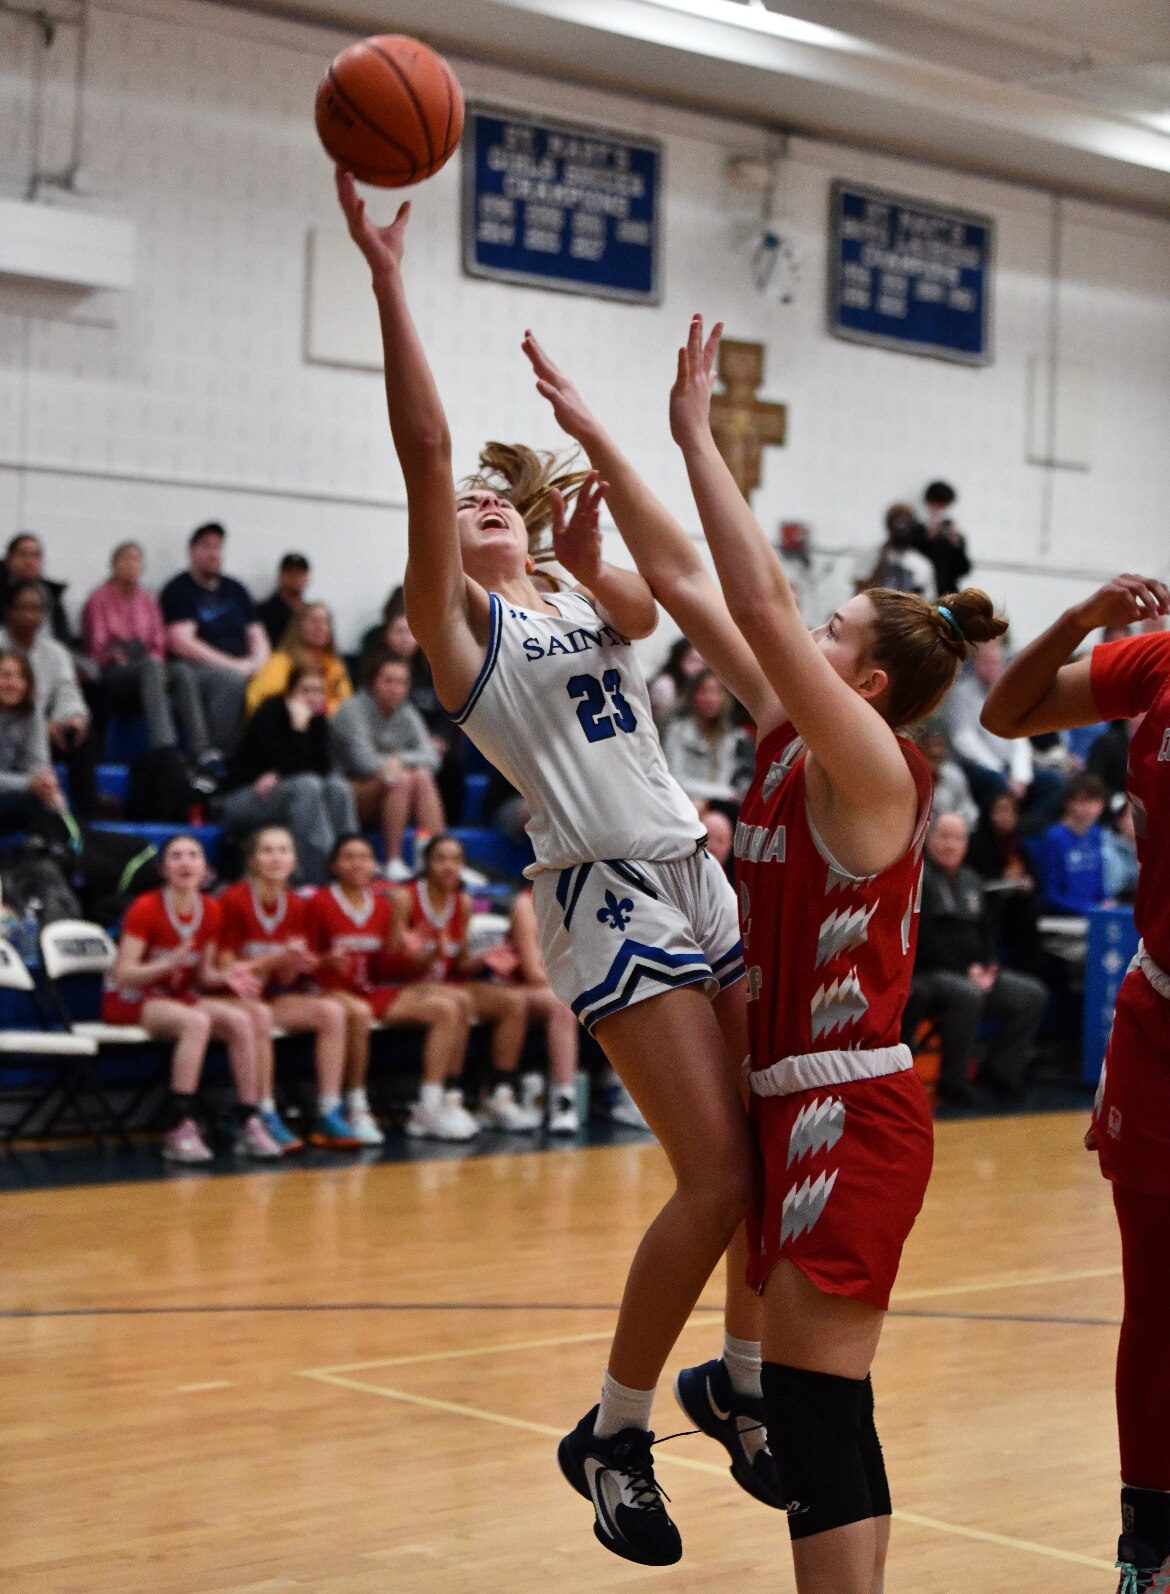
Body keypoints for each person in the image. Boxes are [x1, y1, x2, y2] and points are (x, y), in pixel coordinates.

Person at [525, 310, 1008, 1591]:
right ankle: (717, 1390)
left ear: (873, 683)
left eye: (833, 634)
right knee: (802, 1409)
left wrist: (693, 434)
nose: (809, 638)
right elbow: (688, 586)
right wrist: (601, 441)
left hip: (853, 1112)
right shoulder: (797, 736)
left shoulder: (873, 766)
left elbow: (747, 590)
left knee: (824, 1411)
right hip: (791, 1106)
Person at [337, 170, 762, 1569]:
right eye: (456, 507)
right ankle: (617, 1431)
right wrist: (392, 279)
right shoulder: (457, 635)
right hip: (602, 887)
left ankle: (744, 1382)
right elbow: (422, 446)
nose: (473, 502)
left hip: (695, 866)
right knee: (710, 1177)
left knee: (765, 1155)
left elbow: (642, 605)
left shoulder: (573, 592)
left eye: (487, 496)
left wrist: (579, 533)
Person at [979, 572, 1170, 1592]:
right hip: (1157, 1024)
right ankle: (1147, 1544)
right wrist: (1082, 621)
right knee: (1154, 1303)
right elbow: (1006, 709)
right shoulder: (1156, 660)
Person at [103, 833, 282, 1162]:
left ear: (206, 869)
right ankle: (179, 1125)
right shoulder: (145, 907)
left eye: (193, 855)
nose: (185, 862)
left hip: (177, 994)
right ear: (164, 869)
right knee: (196, 1021)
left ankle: (247, 1118)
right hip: (133, 997)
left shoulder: (212, 910)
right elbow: (124, 973)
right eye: (176, 856)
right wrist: (166, 964)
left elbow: (203, 976)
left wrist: (228, 976)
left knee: (241, 1019)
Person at [308, 832, 478, 1142]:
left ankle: (430, 1103)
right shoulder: (319, 902)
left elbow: (388, 967)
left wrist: (424, 953)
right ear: (334, 865)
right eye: (349, 856)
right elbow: (305, 960)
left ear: (375, 865)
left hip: (370, 989)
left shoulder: (383, 907)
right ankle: (356, 1106)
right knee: (358, 1013)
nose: (358, 862)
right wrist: (324, 962)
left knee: (448, 1006)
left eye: (364, 856)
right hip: (327, 992)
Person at [216, 825, 364, 1152]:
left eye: (283, 850)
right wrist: (277, 958)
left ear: (294, 860)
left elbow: (285, 978)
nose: (275, 858)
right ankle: (265, 1112)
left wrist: (322, 963)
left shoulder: (298, 905)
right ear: (253, 859)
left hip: (271, 997)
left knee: (332, 1012)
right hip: (232, 998)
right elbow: (227, 971)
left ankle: (327, 1110)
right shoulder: (233, 899)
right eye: (267, 850)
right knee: (260, 1016)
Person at [388, 835, 539, 1132]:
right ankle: (446, 1099)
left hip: (447, 982)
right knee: (458, 1001)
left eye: (455, 860)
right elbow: (390, 962)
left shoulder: (464, 902)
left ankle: (498, 1095)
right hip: (406, 985)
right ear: (426, 863)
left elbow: (459, 964)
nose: (448, 866)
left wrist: (486, 958)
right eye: (440, 859)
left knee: (514, 1001)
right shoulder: (405, 897)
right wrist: (427, 952)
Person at [902, 812, 1047, 1105]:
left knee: (1031, 995)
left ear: (966, 844)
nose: (950, 844)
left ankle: (1000, 1072)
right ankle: (953, 1083)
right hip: (930, 973)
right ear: (929, 840)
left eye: (957, 838)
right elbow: (922, 939)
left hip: (972, 972)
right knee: (966, 995)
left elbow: (987, 932)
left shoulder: (972, 880)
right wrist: (968, 970)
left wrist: (989, 964)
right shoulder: (918, 880)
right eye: (944, 836)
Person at [218, 664, 357, 885]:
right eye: (306, 690)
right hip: (243, 796)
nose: (312, 697)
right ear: (291, 691)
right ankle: (315, 878)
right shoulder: (270, 712)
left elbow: (322, 767)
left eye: (318, 691)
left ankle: (352, 859)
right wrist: (298, 729)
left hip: (285, 794)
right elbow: (280, 761)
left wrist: (281, 773)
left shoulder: (319, 722)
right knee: (307, 785)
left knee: (338, 786)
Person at [161, 522, 270, 760]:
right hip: (196, 670)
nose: (214, 553)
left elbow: (258, 635)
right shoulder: (178, 589)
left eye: (218, 547)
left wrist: (257, 664)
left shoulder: (236, 589)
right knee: (229, 681)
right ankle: (217, 758)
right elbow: (182, 643)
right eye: (207, 546)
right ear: (192, 552)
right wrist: (234, 666)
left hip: (242, 667)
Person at [330, 654, 445, 879]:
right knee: (401, 777)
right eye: (388, 681)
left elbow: (433, 759)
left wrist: (400, 760)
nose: (395, 688)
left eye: (402, 682)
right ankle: (394, 859)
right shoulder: (352, 710)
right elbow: (363, 763)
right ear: (373, 681)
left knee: (420, 775)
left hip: (392, 790)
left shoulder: (407, 712)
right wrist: (397, 764)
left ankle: (439, 856)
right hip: (349, 793)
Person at [81, 541, 200, 754]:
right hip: (114, 672)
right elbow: (95, 647)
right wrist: (116, 657)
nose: (131, 564)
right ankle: (166, 749)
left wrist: (157, 662)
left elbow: (158, 643)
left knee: (181, 671)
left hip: (146, 664)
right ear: (113, 564)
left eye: (136, 559)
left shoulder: (148, 599)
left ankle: (201, 751)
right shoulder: (98, 599)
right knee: (151, 667)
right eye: (125, 558)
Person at [0, 580, 97, 819]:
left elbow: (68, 694)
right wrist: (28, 784)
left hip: (36, 727)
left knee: (80, 736)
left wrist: (71, 719)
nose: (31, 614)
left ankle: (84, 826)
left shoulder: (55, 652)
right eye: (24, 607)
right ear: (9, 611)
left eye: (37, 607)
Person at [489, 888, 582, 1134]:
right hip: (524, 989)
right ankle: (565, 1102)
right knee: (563, 1006)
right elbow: (532, 972)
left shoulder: (585, 896)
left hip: (566, 986)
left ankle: (625, 1092)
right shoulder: (526, 902)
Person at [944, 638, 1063, 820]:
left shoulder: (1007, 692)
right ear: (976, 663)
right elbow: (964, 741)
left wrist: (1020, 776)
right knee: (996, 785)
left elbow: (1019, 737)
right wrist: (999, 771)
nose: (992, 668)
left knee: (1055, 783)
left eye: (996, 662)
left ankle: (1023, 831)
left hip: (1009, 768)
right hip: (978, 767)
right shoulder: (961, 693)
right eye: (987, 662)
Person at [660, 668, 749, 812]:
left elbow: (723, 778)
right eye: (704, 691)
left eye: (716, 692)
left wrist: (713, 798)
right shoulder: (677, 730)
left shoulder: (731, 735)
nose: (710, 698)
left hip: (717, 803)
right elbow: (675, 778)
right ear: (693, 696)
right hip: (682, 800)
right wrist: (723, 794)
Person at [245, 601, 352, 720]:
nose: (320, 627)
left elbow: (346, 705)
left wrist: (325, 714)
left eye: (325, 622)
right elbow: (259, 703)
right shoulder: (281, 661)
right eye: (313, 621)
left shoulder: (335, 665)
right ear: (298, 626)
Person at [0, 649, 66, 835]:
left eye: (21, 677)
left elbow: (39, 763)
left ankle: (49, 858)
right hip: (12, 788)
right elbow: (28, 782)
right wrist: (28, 784)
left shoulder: (32, 712)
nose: (14, 683)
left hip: (10, 792)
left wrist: (45, 784)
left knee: (51, 800)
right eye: (6, 676)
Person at [1031, 771, 1114, 915]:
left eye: (1094, 801)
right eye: (1082, 801)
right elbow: (1051, 894)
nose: (1089, 807)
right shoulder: (1054, 838)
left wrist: (1105, 902)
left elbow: (1099, 883)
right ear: (1068, 803)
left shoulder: (1096, 833)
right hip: (1064, 917)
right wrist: (1088, 908)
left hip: (1094, 912)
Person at [0, 532, 74, 646]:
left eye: (35, 555)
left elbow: (63, 638)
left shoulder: (51, 593)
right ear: (9, 559)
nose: (29, 561)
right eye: (22, 554)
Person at [855, 505, 936, 600]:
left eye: (906, 523)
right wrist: (882, 559)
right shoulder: (871, 556)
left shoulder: (921, 563)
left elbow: (925, 599)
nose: (902, 529)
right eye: (897, 523)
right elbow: (859, 591)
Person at [915, 720, 978, 829]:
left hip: (948, 836)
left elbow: (970, 811)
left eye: (940, 745)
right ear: (920, 746)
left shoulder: (954, 775)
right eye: (931, 744)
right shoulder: (910, 777)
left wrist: (954, 822)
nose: (935, 752)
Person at [915, 480, 971, 597]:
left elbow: (964, 569)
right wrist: (930, 535)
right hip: (921, 592)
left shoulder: (953, 534)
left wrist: (956, 544)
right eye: (937, 504)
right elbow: (913, 560)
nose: (940, 510)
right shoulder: (917, 530)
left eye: (944, 505)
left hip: (947, 594)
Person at [256, 553, 310, 651]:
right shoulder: (264, 612)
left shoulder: (311, 613)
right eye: (291, 572)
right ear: (281, 576)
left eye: (300, 572)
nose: (296, 576)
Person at [648, 635, 706, 723]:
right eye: (694, 660)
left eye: (703, 663)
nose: (699, 668)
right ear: (680, 658)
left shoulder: (693, 687)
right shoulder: (665, 685)